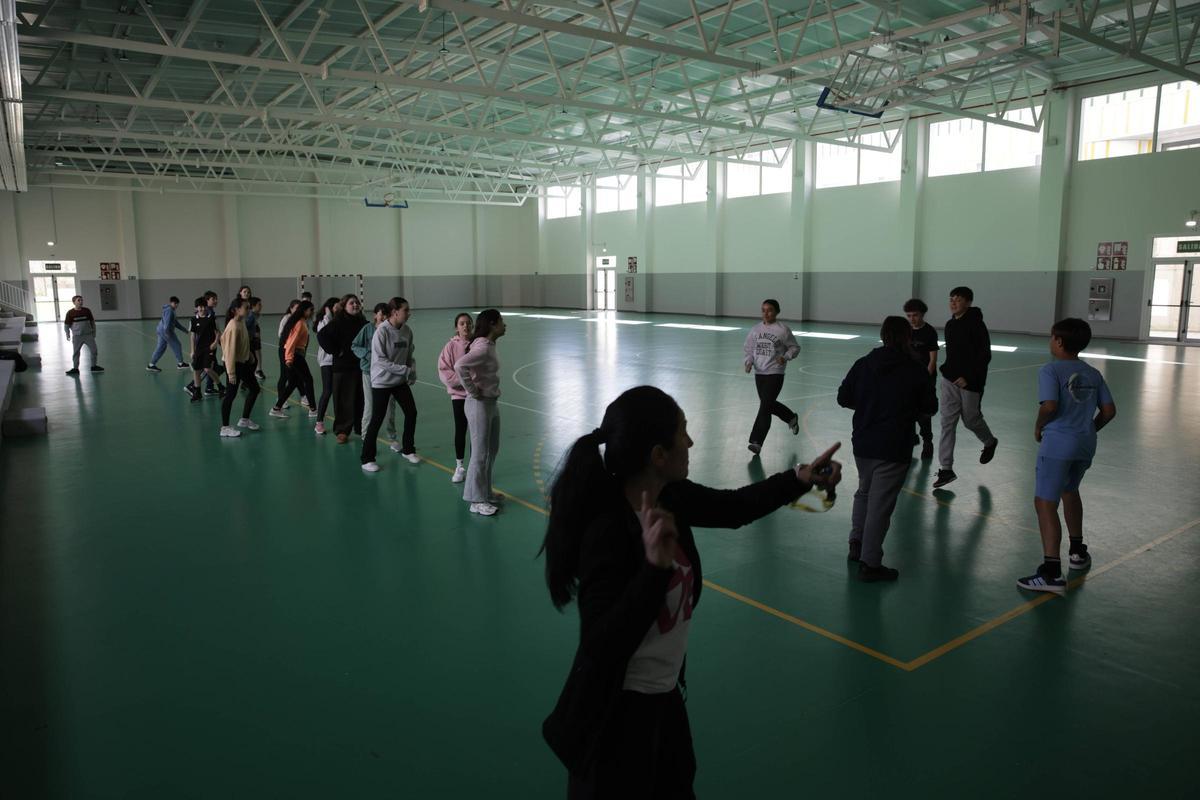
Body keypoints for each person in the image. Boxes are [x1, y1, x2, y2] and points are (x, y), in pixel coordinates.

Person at [539, 385, 842, 797]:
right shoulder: (608, 531)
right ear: (658, 455)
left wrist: (798, 479)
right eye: (683, 432)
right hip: (616, 718)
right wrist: (653, 570)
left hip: (663, 699)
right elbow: (600, 644)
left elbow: (733, 507)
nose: (692, 441)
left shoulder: (670, 498)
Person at [1017, 319, 1116, 595]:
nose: (1050, 341)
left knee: (1044, 502)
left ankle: (1051, 572)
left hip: (1058, 445)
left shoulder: (1050, 370)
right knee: (1070, 491)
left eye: (1052, 337)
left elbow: (1050, 406)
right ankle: (1077, 551)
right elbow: (1109, 411)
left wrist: (1038, 427)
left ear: (1059, 342)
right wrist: (1088, 430)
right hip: (1085, 444)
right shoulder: (1092, 373)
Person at [837, 317, 937, 582]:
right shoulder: (915, 369)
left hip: (863, 441)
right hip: (894, 445)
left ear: (883, 336)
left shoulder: (864, 363)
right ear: (907, 338)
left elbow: (843, 397)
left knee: (864, 492)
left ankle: (856, 542)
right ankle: (870, 563)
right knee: (880, 505)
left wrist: (868, 405)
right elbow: (930, 407)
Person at [934, 286, 998, 488]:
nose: (953, 302)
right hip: (949, 380)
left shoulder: (977, 325)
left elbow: (984, 355)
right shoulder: (950, 324)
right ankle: (946, 469)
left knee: (971, 420)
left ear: (968, 302)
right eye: (951, 299)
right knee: (947, 422)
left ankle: (990, 442)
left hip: (971, 382)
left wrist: (968, 377)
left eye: (958, 299)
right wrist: (949, 372)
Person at [455, 309, 506, 516]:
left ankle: (485, 492)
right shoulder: (483, 347)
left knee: (491, 450)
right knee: (480, 453)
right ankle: (476, 500)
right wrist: (472, 390)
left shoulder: (487, 344)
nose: (504, 325)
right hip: (479, 404)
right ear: (492, 324)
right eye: (501, 321)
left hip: (491, 403)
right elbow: (460, 366)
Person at [360, 299, 419, 472]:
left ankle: (408, 450)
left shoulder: (407, 331)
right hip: (382, 382)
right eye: (406, 310)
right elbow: (380, 360)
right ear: (395, 312)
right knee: (377, 419)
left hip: (399, 381)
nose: (409, 313)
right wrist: (405, 370)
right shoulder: (382, 331)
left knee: (411, 412)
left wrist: (412, 371)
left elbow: (409, 354)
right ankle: (367, 458)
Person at [742, 298, 800, 454]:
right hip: (759, 373)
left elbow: (794, 348)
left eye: (769, 310)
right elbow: (749, 349)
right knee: (767, 404)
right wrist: (748, 362)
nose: (766, 313)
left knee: (765, 407)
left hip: (775, 373)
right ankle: (790, 417)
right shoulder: (755, 330)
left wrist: (785, 357)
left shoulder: (783, 330)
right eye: (763, 310)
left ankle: (757, 442)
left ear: (777, 312)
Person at [316, 294, 368, 444]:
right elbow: (322, 336)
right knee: (343, 400)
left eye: (357, 302)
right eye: (351, 303)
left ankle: (360, 427)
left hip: (360, 366)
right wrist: (336, 351)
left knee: (360, 398)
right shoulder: (338, 321)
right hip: (343, 367)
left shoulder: (363, 322)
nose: (355, 305)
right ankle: (342, 430)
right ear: (344, 306)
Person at [352, 303, 398, 451]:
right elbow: (355, 345)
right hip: (369, 372)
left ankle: (392, 438)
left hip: (388, 374)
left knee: (390, 407)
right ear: (375, 315)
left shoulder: (392, 330)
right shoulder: (368, 329)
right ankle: (366, 436)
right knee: (370, 405)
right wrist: (366, 354)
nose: (384, 317)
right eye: (381, 313)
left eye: (386, 314)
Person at [437, 312, 474, 483]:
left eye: (468, 323)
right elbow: (444, 370)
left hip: (475, 395)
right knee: (461, 429)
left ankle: (475, 467)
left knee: (476, 432)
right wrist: (464, 382)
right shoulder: (450, 347)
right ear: (456, 327)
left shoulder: (478, 344)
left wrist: (474, 385)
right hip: (459, 395)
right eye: (462, 323)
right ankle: (459, 466)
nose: (465, 326)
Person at [218, 298, 261, 438]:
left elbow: (243, 341)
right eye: (246, 307)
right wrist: (231, 373)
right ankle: (225, 428)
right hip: (233, 364)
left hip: (242, 363)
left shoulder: (241, 322)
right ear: (236, 310)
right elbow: (229, 352)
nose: (248, 309)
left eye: (249, 307)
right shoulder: (233, 327)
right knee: (230, 395)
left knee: (255, 389)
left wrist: (249, 355)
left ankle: (244, 419)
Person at [903, 298, 939, 460]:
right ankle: (911, 437)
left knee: (924, 412)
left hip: (925, 378)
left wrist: (924, 379)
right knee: (906, 408)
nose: (912, 319)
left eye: (915, 315)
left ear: (922, 314)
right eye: (909, 316)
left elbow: (932, 360)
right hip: (908, 378)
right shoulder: (905, 331)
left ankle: (927, 441)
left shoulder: (929, 332)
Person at [268, 301, 318, 418]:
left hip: (296, 354)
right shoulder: (300, 323)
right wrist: (289, 358)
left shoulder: (301, 321)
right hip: (295, 355)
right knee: (308, 380)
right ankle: (313, 409)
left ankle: (276, 408)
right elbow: (291, 341)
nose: (312, 312)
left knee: (293, 382)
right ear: (304, 310)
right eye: (311, 310)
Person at [187, 297, 222, 403]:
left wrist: (215, 342)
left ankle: (221, 388)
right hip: (199, 348)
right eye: (200, 307)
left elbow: (218, 332)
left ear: (206, 307)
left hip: (210, 347)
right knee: (196, 370)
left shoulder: (212, 318)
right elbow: (192, 336)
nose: (202, 309)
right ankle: (197, 392)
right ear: (196, 308)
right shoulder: (193, 320)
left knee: (207, 369)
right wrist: (192, 350)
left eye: (203, 307)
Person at [312, 297, 339, 435]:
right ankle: (319, 422)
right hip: (327, 361)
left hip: (339, 361)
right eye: (336, 306)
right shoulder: (323, 321)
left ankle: (341, 422)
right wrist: (328, 315)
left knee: (339, 392)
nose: (339, 308)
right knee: (327, 391)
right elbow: (325, 333)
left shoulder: (339, 320)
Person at [147, 295, 189, 372]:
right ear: (171, 303)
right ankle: (181, 364)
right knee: (177, 345)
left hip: (161, 330)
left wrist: (185, 330)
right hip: (165, 331)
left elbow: (175, 323)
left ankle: (151, 365)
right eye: (175, 303)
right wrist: (167, 333)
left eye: (177, 304)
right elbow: (167, 323)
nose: (176, 305)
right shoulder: (169, 310)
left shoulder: (171, 310)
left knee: (161, 347)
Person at [63, 295, 103, 375]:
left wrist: (94, 332)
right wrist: (67, 334)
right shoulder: (70, 313)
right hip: (77, 336)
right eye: (79, 300)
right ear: (74, 302)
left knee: (94, 351)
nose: (81, 302)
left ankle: (94, 366)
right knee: (76, 352)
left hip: (88, 335)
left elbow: (92, 322)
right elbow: (66, 325)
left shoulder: (87, 311)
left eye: (82, 300)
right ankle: (75, 368)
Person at [274, 299, 301, 400]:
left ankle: (303, 396)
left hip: (295, 350)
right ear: (291, 308)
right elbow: (281, 334)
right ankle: (280, 398)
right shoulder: (286, 318)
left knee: (296, 374)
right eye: (296, 308)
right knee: (284, 375)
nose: (298, 310)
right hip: (285, 349)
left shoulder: (300, 319)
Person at [247, 296, 266, 381]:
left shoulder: (256, 315)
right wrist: (253, 335)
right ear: (253, 306)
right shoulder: (250, 316)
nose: (261, 306)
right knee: (252, 359)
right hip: (249, 340)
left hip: (254, 339)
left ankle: (256, 372)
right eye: (259, 305)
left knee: (255, 357)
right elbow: (245, 327)